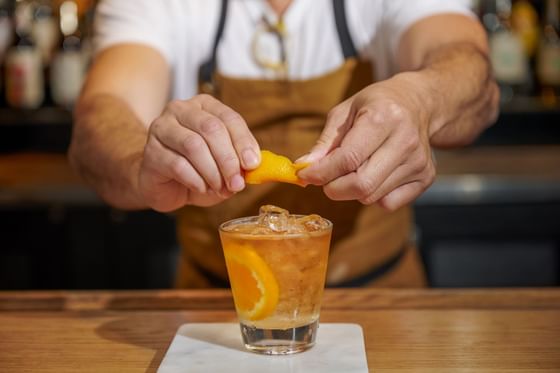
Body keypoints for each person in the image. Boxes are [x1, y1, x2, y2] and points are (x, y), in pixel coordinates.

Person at [69, 0, 499, 288]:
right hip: (215, 309)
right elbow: (100, 115)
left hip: (382, 298)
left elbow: (467, 67)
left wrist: (424, 99)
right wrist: (138, 164)